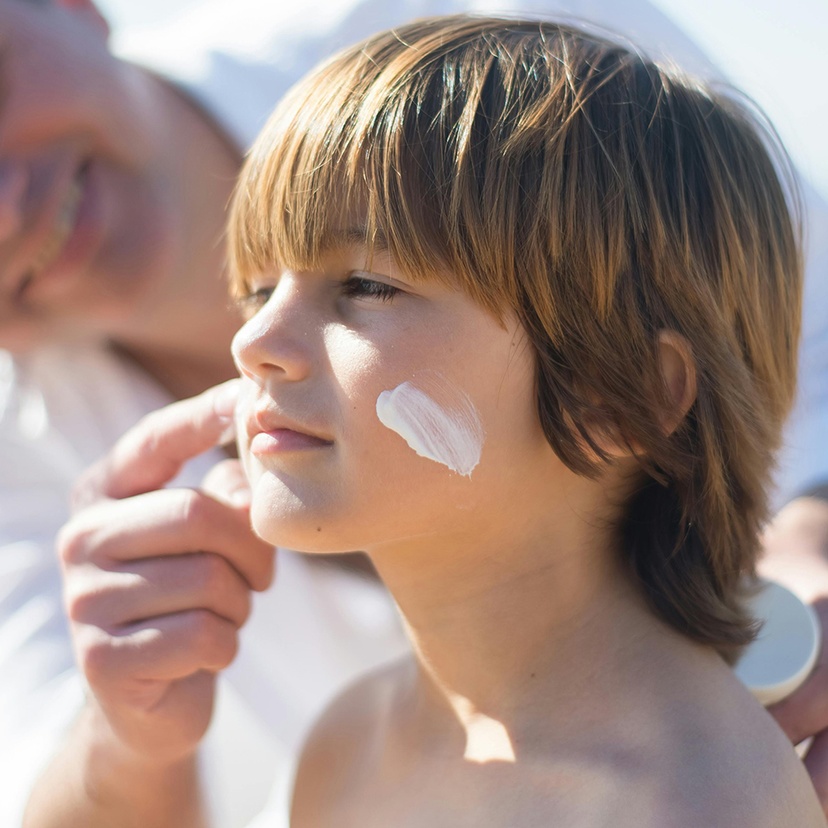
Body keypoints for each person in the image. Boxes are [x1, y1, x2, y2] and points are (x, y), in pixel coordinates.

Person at [2, 0, 827, 824]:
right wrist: (128, 734)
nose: (253, 338)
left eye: (366, 286)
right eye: (256, 289)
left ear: (617, 397)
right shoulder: (346, 744)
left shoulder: (695, 799)